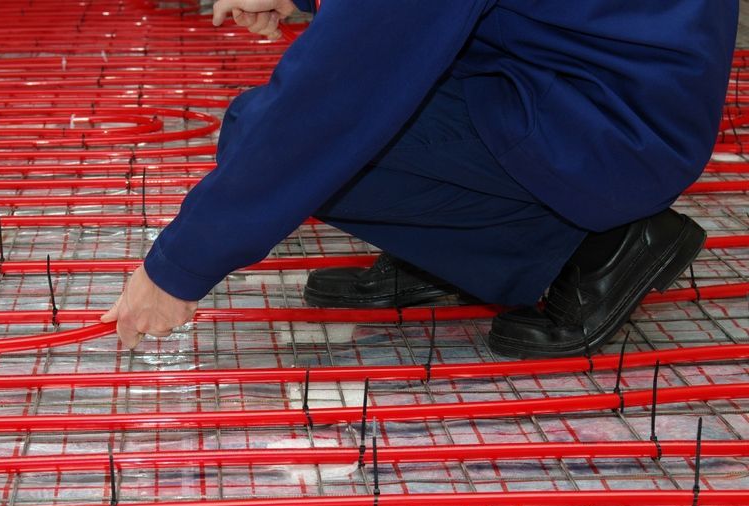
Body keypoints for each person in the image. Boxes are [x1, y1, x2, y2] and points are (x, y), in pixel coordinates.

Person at [102, 0, 738, 358]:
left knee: (265, 133)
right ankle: (451, 256)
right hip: (590, 82)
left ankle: (600, 246)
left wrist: (177, 267)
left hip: (609, 126)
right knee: (297, 132)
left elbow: (341, 87)